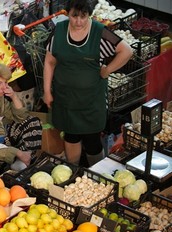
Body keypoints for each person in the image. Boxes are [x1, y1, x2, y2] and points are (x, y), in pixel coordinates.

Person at [43, 0, 133, 166]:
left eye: (83, 17)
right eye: (74, 16)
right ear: (67, 13)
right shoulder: (59, 31)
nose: (78, 21)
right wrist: (47, 91)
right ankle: (73, 169)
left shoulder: (99, 32)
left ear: (89, 15)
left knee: (92, 140)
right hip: (65, 98)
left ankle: (95, 173)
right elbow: (49, 62)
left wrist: (107, 70)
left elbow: (126, 51)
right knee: (70, 136)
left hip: (91, 101)